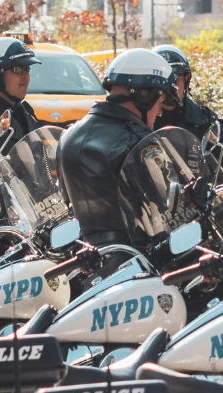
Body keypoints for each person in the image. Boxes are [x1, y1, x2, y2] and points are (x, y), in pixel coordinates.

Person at [58, 48, 174, 247]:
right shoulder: (140, 143)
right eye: (161, 100)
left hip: (85, 257)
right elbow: (166, 206)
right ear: (145, 95)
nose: (161, 112)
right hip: (137, 258)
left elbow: (65, 199)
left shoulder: (68, 135)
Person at [152, 44, 223, 182]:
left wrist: (211, 195)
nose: (168, 87)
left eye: (174, 79)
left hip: (197, 202)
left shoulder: (208, 123)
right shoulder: (139, 121)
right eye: (161, 81)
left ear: (186, 79)